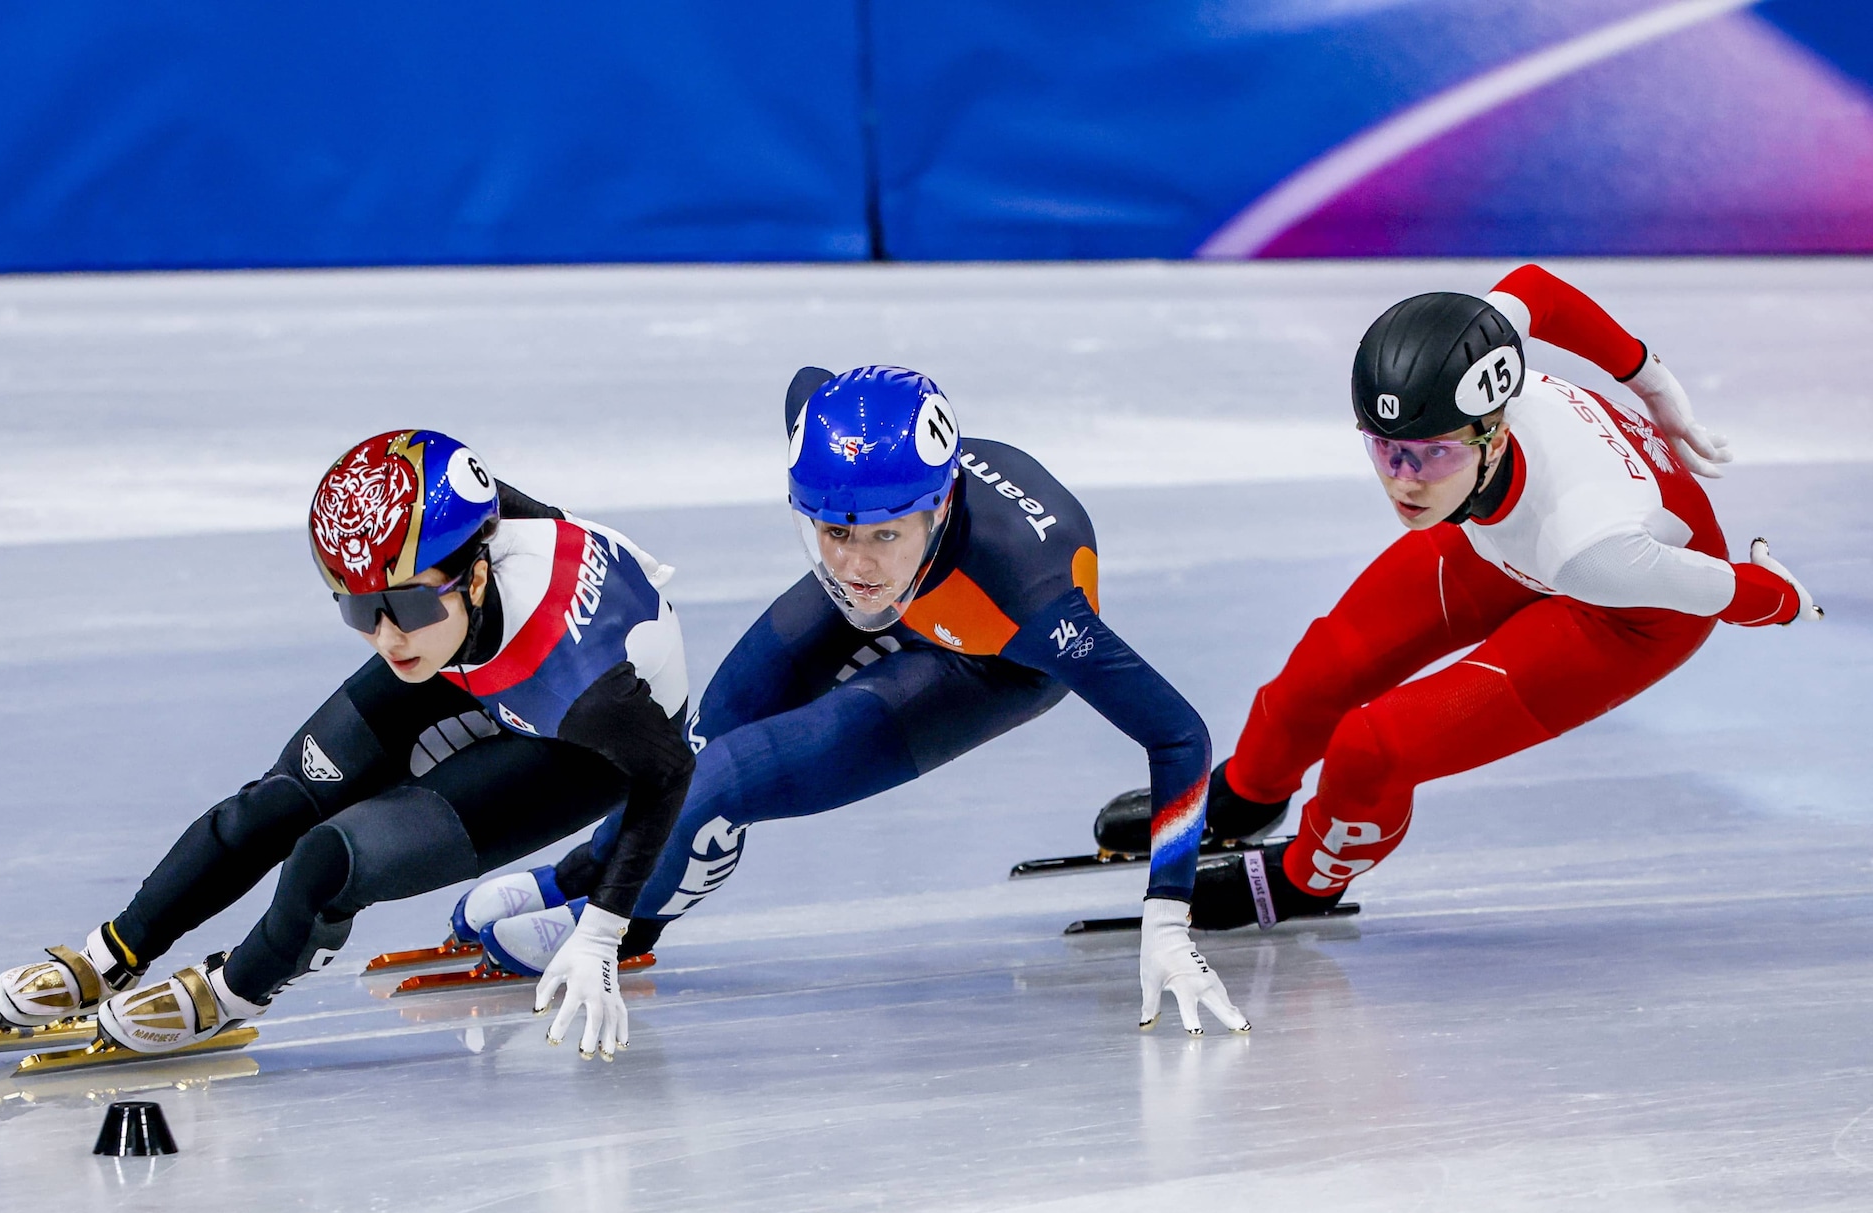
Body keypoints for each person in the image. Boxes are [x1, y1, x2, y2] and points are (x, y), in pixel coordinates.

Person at [456, 365, 1249, 1046]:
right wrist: (870, 553)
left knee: (726, 777)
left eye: (882, 535)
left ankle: (626, 927)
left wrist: (1167, 921)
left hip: (989, 657)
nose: (855, 560)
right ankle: (582, 873)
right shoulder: (841, 472)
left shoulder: (1033, 597)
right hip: (918, 594)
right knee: (697, 738)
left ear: (939, 509)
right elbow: (813, 387)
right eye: (832, 530)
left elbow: (1179, 735)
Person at [1097, 266, 1820, 929]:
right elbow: (1537, 289)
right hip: (1503, 537)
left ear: (1494, 434)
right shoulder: (1477, 370)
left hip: (1625, 614)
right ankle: (1247, 796)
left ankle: (1301, 880)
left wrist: (1785, 596)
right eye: (1386, 450)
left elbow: (1730, 591)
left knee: (1371, 748)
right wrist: (1655, 383)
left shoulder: (1590, 546)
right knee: (1318, 674)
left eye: (1431, 452)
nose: (1404, 482)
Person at [0, 429, 693, 1061]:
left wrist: (602, 931)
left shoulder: (588, 683)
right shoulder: (449, 555)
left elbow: (669, 771)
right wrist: (420, 611)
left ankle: (234, 991)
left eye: (408, 603)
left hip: (579, 749)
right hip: (478, 654)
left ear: (477, 575)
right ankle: (114, 953)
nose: (387, 636)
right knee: (273, 806)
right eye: (360, 607)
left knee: (329, 860)